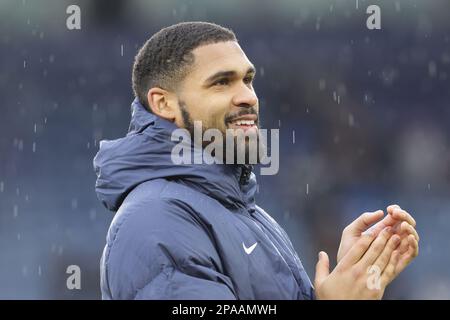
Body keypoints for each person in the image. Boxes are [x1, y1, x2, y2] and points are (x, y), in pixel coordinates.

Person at [93, 21, 419, 299]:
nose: (248, 96)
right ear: (164, 104)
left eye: (247, 79)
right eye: (221, 82)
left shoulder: (244, 214)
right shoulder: (157, 220)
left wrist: (344, 281)